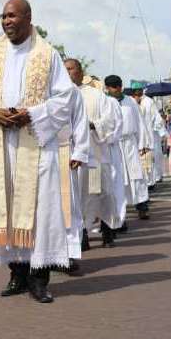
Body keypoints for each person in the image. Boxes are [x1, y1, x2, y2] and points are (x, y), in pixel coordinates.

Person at [0, 0, 74, 303]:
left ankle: (39, 279)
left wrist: (34, 114)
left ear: (28, 18)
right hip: (1, 144)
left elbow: (65, 99)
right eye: (2, 16)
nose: (6, 21)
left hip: (35, 144)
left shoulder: (48, 55)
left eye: (12, 16)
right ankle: (17, 273)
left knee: (39, 211)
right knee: (7, 209)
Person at [75, 71, 124, 248]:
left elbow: (110, 122)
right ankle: (81, 236)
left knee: (100, 195)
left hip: (93, 156)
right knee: (76, 199)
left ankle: (107, 231)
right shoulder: (58, 95)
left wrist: (93, 125)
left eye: (71, 69)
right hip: (69, 159)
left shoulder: (97, 96)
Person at [105, 75, 151, 220]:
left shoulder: (130, 101)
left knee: (137, 175)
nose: (117, 89)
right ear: (107, 88)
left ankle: (142, 206)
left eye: (119, 86)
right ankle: (120, 214)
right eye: (113, 87)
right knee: (118, 179)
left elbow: (139, 122)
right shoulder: (105, 102)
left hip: (130, 143)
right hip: (114, 144)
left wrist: (142, 143)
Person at [61, 59, 90, 272]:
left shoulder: (71, 91)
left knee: (68, 207)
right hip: (39, 156)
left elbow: (80, 122)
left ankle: (70, 254)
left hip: (64, 153)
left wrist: (79, 151)